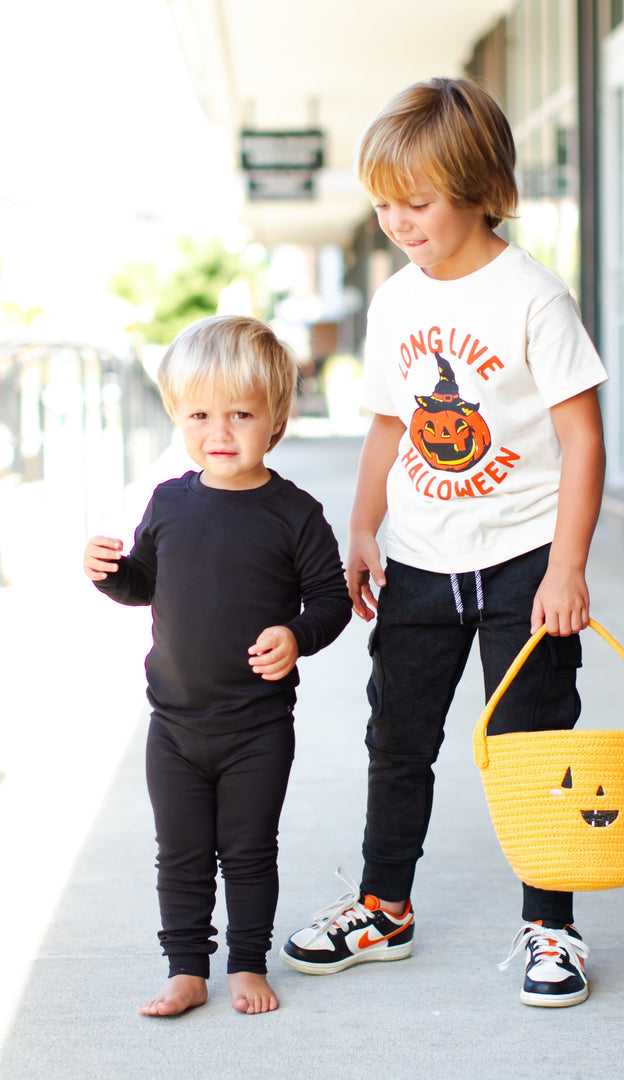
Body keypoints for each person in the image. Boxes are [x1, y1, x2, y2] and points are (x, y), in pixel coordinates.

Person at [280, 77, 608, 1008]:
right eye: (383, 204)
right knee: (399, 737)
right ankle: (384, 905)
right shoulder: (394, 302)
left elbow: (583, 438)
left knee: (533, 747)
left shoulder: (534, 297)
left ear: (478, 187)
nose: (397, 222)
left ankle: (553, 924)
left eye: (415, 202)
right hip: (421, 563)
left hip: (521, 566)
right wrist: (363, 526)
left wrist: (567, 567)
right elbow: (389, 424)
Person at [83, 315, 352, 1017]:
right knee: (179, 853)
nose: (219, 431)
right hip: (173, 723)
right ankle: (185, 969)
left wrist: (296, 635)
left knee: (248, 851)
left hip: (255, 727)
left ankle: (246, 964)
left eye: (240, 413)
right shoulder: (170, 502)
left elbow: (331, 600)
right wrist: (111, 574)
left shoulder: (294, 514)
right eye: (199, 414)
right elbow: (146, 582)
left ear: (277, 420)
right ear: (178, 415)